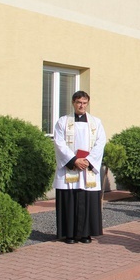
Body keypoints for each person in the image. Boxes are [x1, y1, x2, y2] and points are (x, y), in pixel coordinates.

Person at [53, 91, 107, 244]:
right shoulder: (63, 122)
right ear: (73, 103)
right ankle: (68, 234)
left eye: (84, 103)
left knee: (87, 200)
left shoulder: (96, 122)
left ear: (87, 103)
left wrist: (88, 161)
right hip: (70, 167)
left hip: (88, 168)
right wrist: (74, 160)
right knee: (70, 200)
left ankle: (86, 234)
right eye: (78, 102)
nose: (81, 105)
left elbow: (100, 143)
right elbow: (59, 143)